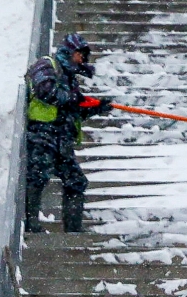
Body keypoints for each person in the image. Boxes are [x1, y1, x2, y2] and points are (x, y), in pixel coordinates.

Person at [24, 33, 112, 233]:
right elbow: (46, 91)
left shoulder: (71, 80)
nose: (82, 60)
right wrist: (74, 99)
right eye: (80, 55)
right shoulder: (47, 65)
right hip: (42, 135)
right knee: (38, 177)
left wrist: (95, 108)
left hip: (62, 140)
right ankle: (30, 226)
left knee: (76, 181)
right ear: (71, 51)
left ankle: (73, 231)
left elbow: (72, 111)